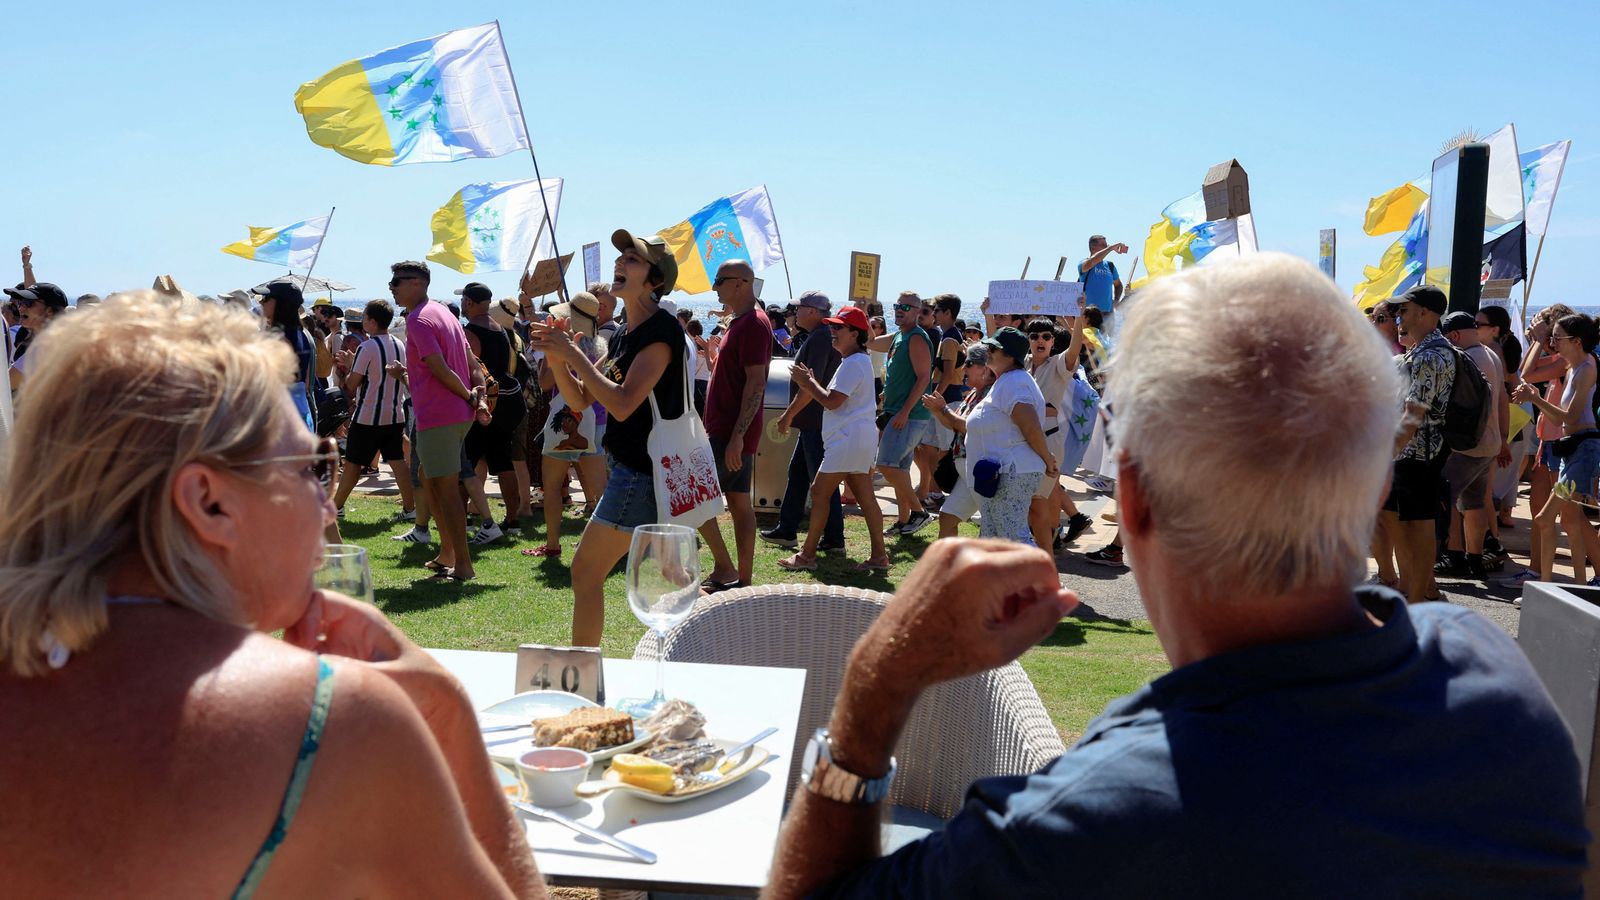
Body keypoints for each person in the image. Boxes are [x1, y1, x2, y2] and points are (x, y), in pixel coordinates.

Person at [766, 254, 1587, 899]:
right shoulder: (1492, 671)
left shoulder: (1092, 825)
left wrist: (875, 688)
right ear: (1374, 483)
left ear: (1133, 496)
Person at [0, 294, 544, 897]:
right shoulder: (336, 718)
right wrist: (449, 718)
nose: (324, 501)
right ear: (209, 502)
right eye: (309, 467)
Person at [528, 229, 682, 647]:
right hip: (630, 469)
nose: (620, 263)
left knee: (585, 571)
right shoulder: (625, 336)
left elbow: (623, 404)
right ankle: (717, 634)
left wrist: (573, 353)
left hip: (640, 474)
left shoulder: (661, 330)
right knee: (674, 579)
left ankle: (582, 667)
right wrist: (558, 356)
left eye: (633, 259)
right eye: (621, 257)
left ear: (655, 280)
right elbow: (578, 399)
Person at [392, 261, 487, 583]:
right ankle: (448, 552)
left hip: (441, 413)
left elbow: (438, 367)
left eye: (398, 281)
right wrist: (477, 395)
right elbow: (472, 362)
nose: (392, 286)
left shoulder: (419, 320)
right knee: (425, 475)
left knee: (447, 491)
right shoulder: (445, 313)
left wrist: (470, 395)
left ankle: (463, 564)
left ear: (418, 283)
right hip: (455, 413)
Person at [776, 305, 890, 572]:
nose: (832, 332)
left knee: (819, 491)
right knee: (865, 497)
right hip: (856, 438)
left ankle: (807, 555)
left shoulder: (853, 362)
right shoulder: (856, 361)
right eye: (832, 326)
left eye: (838, 327)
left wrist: (808, 382)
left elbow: (833, 402)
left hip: (848, 439)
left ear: (856, 333)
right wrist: (811, 383)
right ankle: (879, 556)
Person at [922, 328, 1054, 545]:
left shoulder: (1015, 382)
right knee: (994, 537)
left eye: (993, 348)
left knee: (1012, 538)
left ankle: (1041, 579)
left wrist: (1047, 458)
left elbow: (1029, 425)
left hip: (1012, 472)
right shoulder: (1006, 381)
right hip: (998, 473)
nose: (988, 351)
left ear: (1010, 355)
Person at [698, 261, 773, 593]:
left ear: (742, 283)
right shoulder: (741, 322)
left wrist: (737, 437)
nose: (715, 288)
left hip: (730, 433)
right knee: (739, 503)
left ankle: (727, 570)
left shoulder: (753, 324)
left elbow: (756, 384)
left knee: (696, 501)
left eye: (720, 281)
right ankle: (741, 577)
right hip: (728, 431)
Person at [1380, 284, 1454, 605]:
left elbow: (1413, 416)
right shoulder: (1422, 351)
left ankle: (1418, 600)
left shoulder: (1428, 355)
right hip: (1412, 452)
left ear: (1424, 313)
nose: (1399, 315)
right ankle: (1414, 591)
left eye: (1405, 309)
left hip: (1419, 454)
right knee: (1401, 522)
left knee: (1418, 526)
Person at [1513, 313, 1600, 584]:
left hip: (1583, 452)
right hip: (1570, 451)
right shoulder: (1573, 367)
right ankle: (1577, 586)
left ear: (1576, 341)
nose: (1554, 342)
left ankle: (1548, 585)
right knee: (1570, 522)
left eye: (1557, 338)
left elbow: (1569, 418)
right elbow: (1557, 419)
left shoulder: (1586, 369)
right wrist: (1536, 400)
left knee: (1544, 517)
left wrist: (1534, 398)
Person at [523, 291, 609, 562]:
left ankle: (552, 544)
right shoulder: (602, 346)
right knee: (602, 491)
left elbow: (546, 383)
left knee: (551, 487)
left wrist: (548, 356)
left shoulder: (562, 345)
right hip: (598, 419)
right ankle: (615, 546)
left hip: (564, 419)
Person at [766, 290, 845, 553]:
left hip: (817, 424)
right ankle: (787, 529)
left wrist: (787, 415)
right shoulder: (819, 335)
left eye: (798, 308)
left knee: (822, 483)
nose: (794, 313)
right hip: (812, 424)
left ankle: (834, 539)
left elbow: (812, 384)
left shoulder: (821, 337)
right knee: (798, 475)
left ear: (813, 311)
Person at [1434, 312, 1509, 582]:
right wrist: (1502, 438)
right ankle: (1475, 561)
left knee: (1443, 496)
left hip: (1467, 446)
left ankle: (1453, 556)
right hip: (1489, 443)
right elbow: (1502, 401)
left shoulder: (1463, 358)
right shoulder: (1491, 355)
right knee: (1474, 503)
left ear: (1453, 336)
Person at [330, 299, 414, 519]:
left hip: (368, 416)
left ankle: (336, 506)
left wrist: (349, 365)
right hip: (395, 414)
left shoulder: (366, 347)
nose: (363, 320)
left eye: (365, 317)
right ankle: (410, 508)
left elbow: (351, 385)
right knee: (397, 462)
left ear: (373, 321)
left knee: (353, 464)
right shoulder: (399, 344)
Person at [460, 282, 527, 545]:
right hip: (507, 402)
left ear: (468, 301)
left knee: (466, 462)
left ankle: (462, 515)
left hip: (485, 404)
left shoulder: (471, 332)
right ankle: (511, 520)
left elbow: (471, 368)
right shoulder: (502, 329)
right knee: (503, 461)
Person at [868, 292, 934, 535]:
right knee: (900, 469)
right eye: (897, 305)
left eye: (906, 307)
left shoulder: (916, 337)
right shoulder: (899, 336)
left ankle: (919, 512)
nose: (899, 310)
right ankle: (904, 520)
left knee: (885, 466)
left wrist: (904, 411)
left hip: (909, 414)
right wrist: (864, 310)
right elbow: (871, 342)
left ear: (918, 311)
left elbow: (924, 377)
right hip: (897, 411)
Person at [930, 343, 996, 538]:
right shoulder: (974, 393)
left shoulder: (992, 394)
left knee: (991, 523)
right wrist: (938, 410)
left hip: (978, 468)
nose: (963, 368)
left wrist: (943, 410)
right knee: (948, 516)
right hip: (967, 470)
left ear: (984, 367)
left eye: (968, 363)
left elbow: (967, 426)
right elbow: (953, 424)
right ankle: (949, 565)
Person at [915, 294, 967, 508]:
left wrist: (936, 399)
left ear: (947, 313)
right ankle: (931, 490)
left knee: (944, 449)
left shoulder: (948, 339)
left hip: (947, 400)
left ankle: (942, 492)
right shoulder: (953, 335)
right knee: (927, 445)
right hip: (945, 399)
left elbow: (947, 374)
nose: (933, 314)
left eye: (936, 310)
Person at [4, 282, 68, 389]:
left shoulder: (46, 347)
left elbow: (6, 384)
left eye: (28, 303)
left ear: (50, 310)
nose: (21, 308)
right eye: (20, 303)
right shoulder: (61, 339)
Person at [1077, 234, 1128, 333]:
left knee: (1108, 346)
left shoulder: (1109, 265)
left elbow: (1118, 285)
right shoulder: (1083, 263)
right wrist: (1110, 248)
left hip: (1107, 316)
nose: (1106, 247)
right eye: (1103, 245)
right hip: (1089, 317)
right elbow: (1091, 262)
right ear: (1093, 247)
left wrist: (1116, 299)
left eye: (1106, 245)